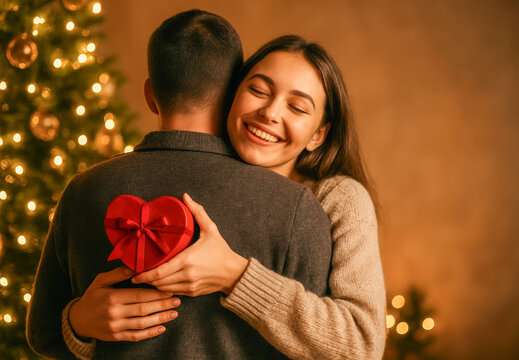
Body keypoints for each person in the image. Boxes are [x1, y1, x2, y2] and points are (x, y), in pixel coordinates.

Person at [26, 11, 332, 360]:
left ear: (149, 94)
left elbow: (43, 335)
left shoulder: (83, 190)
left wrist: (76, 322)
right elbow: (321, 348)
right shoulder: (296, 207)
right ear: (234, 92)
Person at [64, 34, 387, 359]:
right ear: (230, 96)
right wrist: (79, 323)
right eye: (258, 90)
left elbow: (362, 345)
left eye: (297, 107)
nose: (270, 113)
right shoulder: (181, 176)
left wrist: (235, 275)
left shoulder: (336, 198)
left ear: (318, 135)